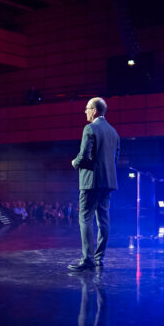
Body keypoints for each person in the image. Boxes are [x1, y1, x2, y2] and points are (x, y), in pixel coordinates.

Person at [69, 97, 120, 271]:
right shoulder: (114, 132)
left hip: (91, 182)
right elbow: (115, 160)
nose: (85, 112)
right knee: (103, 219)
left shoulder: (90, 128)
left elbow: (84, 156)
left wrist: (75, 163)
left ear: (95, 111)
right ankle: (99, 258)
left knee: (85, 219)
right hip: (108, 182)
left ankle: (88, 259)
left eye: (87, 108)